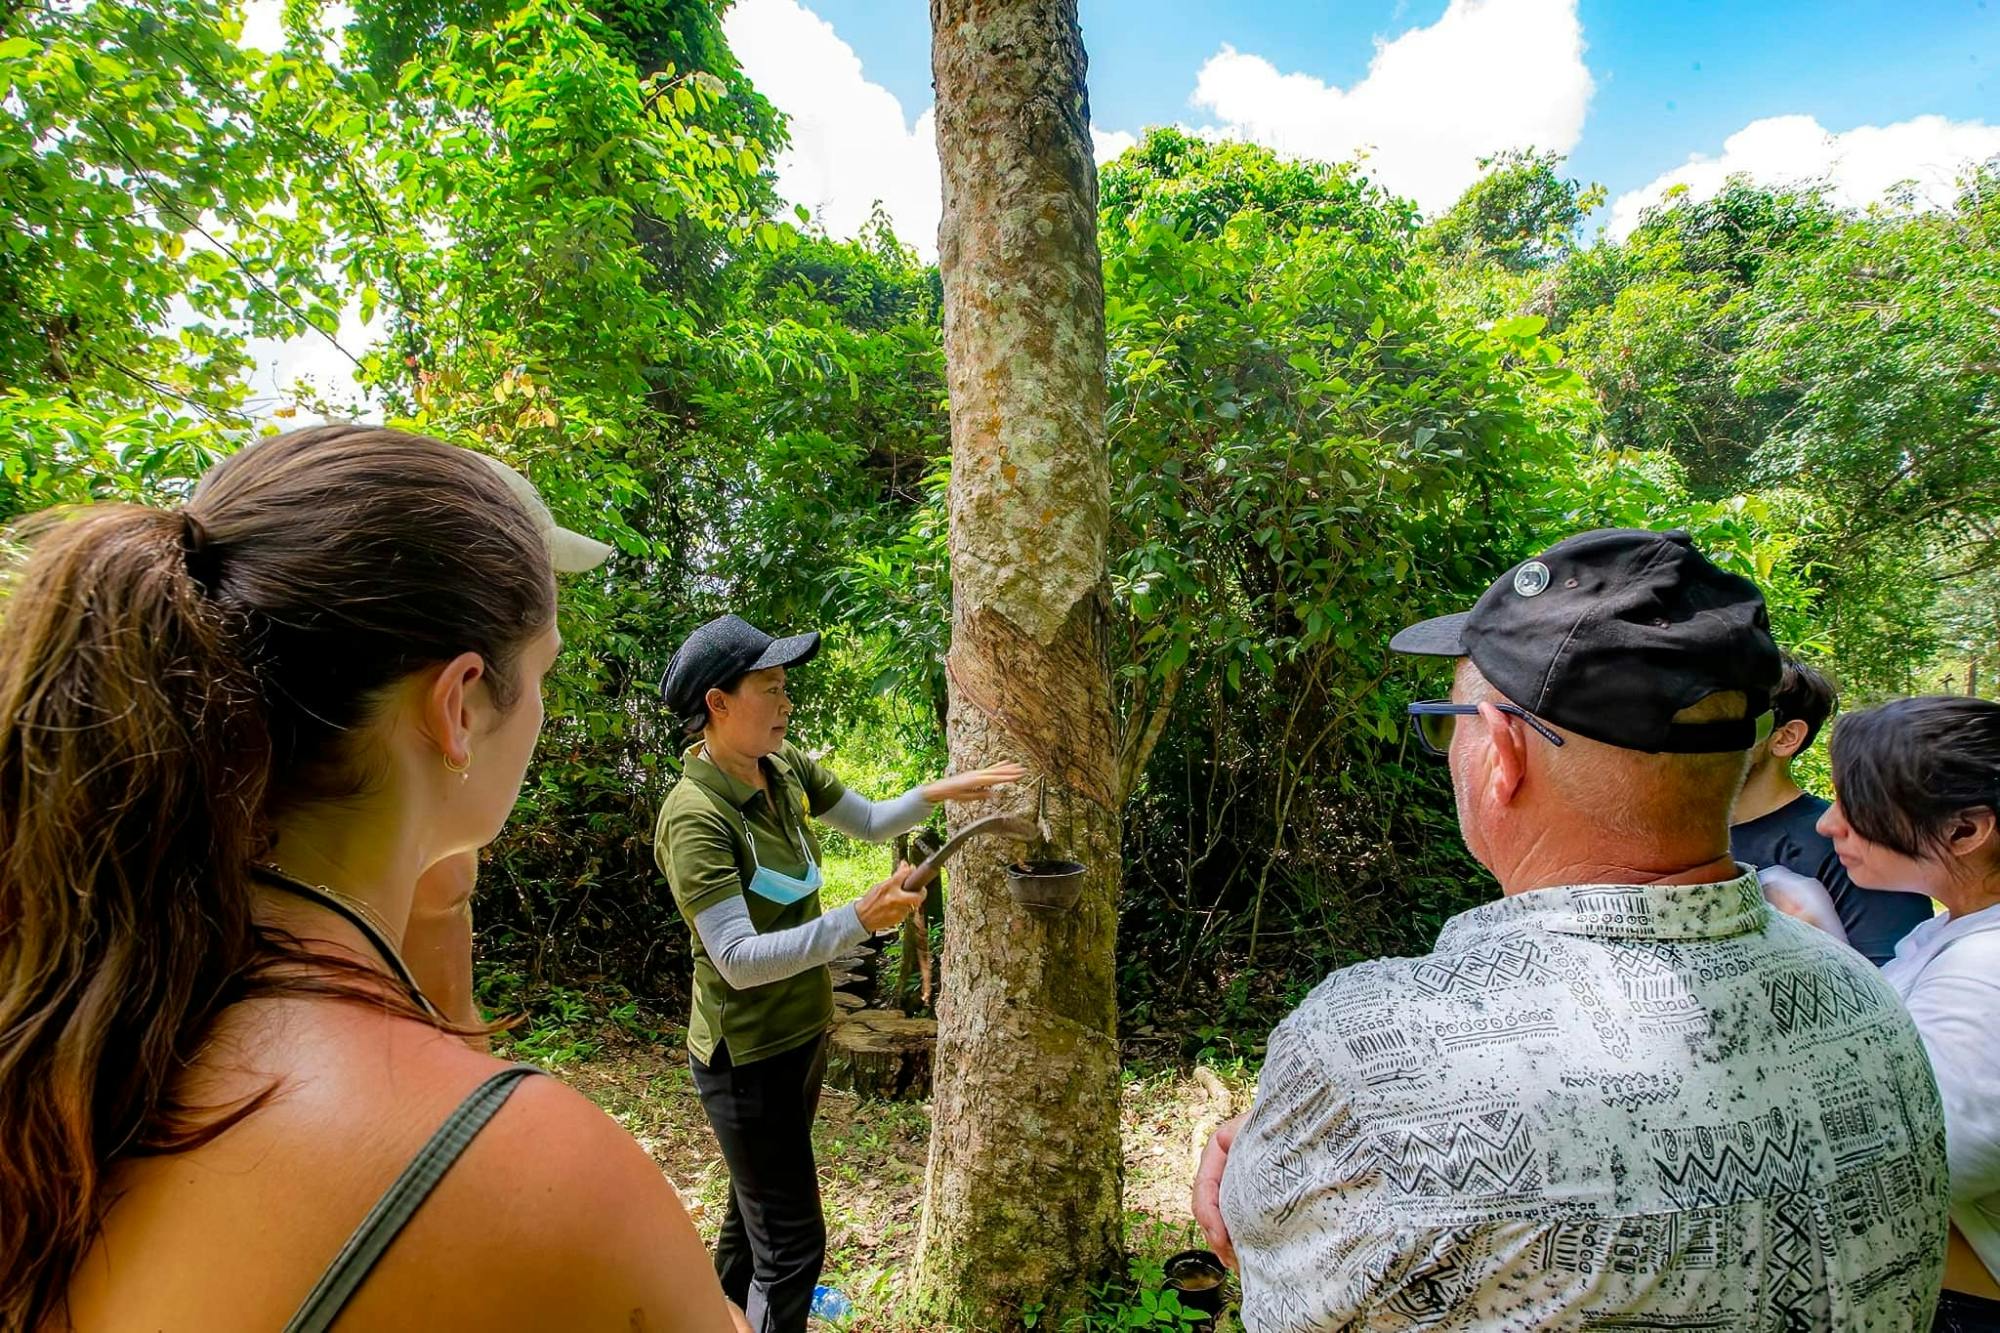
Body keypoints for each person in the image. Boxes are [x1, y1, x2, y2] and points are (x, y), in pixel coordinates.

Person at [0, 425, 739, 1331]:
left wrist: (433, 911)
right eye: (540, 669)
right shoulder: (545, 1173)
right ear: (459, 702)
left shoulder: (84, 1007)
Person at [1192, 528, 1949, 1330]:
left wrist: (1315, 1129)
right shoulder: (1867, 1003)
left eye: (1454, 720)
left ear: (1502, 754)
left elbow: (1289, 1293)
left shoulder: (1374, 1050)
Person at [654, 614, 1023, 1332]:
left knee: (751, 1218)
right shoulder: (696, 815)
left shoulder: (783, 770)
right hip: (746, 1058)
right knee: (792, 1245)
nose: (786, 702)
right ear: (717, 704)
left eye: (786, 685)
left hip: (800, 1035)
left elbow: (874, 820)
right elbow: (737, 957)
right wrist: (857, 917)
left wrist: (944, 791)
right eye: (769, 688)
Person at [1821, 697, 2000, 1331]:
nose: (1830, 826)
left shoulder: (1986, 967)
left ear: (1965, 830)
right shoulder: (1956, 933)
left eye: (1856, 806)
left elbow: (1920, 1159)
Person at [1732, 653, 1933, 963]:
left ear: (1785, 737)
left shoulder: (1852, 846)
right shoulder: (1682, 838)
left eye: (1728, 715)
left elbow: (1898, 988)